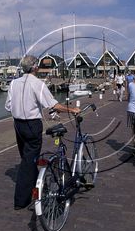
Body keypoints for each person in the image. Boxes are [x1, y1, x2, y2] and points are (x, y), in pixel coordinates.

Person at [5, 55, 80, 210]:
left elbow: (8, 106)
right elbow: (53, 104)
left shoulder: (13, 84)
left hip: (18, 125)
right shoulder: (37, 84)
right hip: (32, 125)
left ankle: (33, 187)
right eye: (37, 65)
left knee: (27, 157)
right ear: (34, 67)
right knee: (27, 162)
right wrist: (71, 109)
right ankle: (20, 200)